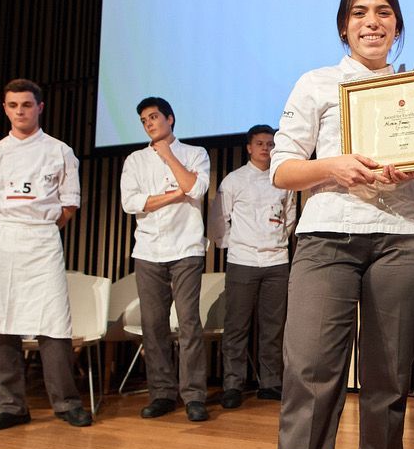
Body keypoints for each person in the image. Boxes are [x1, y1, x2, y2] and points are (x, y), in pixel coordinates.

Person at [237, 0, 414, 449]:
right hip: (326, 240)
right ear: (344, 25)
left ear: (397, 25)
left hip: (403, 238)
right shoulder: (317, 83)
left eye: (383, 13)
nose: (371, 22)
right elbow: (286, 168)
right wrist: (336, 166)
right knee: (310, 386)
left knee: (387, 389)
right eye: (358, 13)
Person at [0, 78, 92, 430]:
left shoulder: (60, 150)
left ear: (40, 107)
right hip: (3, 240)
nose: (20, 111)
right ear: (5, 108)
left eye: (27, 104)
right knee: (1, 320)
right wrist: (12, 228)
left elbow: (69, 205)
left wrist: (40, 229)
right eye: (13, 105)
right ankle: (11, 405)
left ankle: (66, 403)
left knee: (53, 324)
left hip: (42, 241)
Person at [120, 97, 212, 422]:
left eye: (154, 117)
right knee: (153, 326)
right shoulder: (134, 160)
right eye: (144, 120)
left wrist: (168, 155)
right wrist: (175, 196)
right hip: (147, 251)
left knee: (188, 324)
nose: (149, 124)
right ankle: (161, 394)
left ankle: (194, 396)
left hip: (186, 248)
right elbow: (131, 203)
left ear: (170, 118)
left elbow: (196, 188)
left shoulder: (195, 154)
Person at [209, 124, 296, 408]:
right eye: (260, 143)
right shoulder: (234, 180)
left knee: (273, 326)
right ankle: (233, 384)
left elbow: (290, 218)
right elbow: (218, 221)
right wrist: (236, 245)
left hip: (276, 260)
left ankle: (270, 383)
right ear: (249, 147)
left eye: (270, 144)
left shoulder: (283, 179)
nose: (265, 149)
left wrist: (279, 242)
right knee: (236, 325)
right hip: (242, 260)